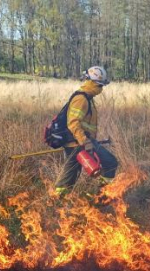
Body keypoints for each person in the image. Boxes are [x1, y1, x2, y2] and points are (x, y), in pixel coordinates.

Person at [54, 66, 119, 198]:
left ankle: (60, 199)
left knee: (70, 176)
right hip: (77, 143)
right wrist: (85, 142)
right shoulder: (81, 99)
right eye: (99, 85)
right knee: (110, 162)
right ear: (91, 82)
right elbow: (73, 123)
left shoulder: (88, 97)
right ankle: (101, 196)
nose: (101, 89)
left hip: (82, 142)